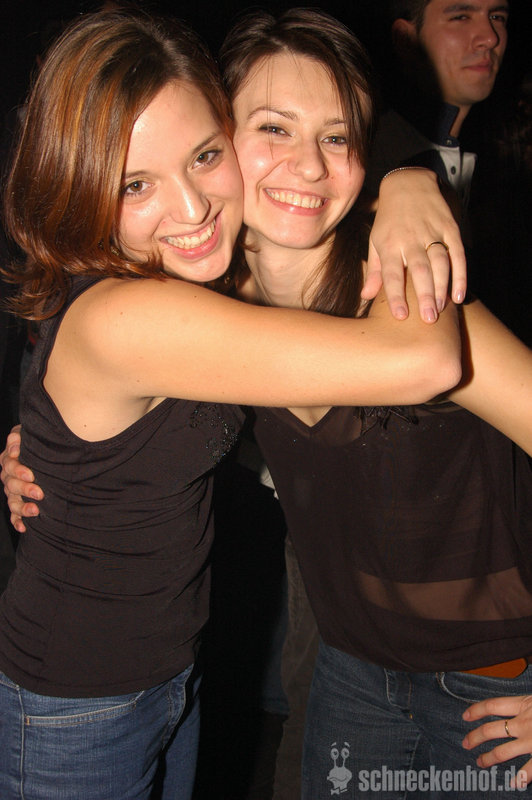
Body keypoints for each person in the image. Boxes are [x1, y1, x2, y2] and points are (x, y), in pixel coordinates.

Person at [0, 8, 465, 799]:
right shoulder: (131, 315)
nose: (192, 209)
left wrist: (402, 176)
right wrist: (417, 191)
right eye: (135, 184)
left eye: (204, 156)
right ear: (79, 185)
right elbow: (426, 358)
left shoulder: (185, 280)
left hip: (167, 679)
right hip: (73, 706)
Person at [365, 0, 509, 209]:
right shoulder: (365, 164)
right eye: (460, 17)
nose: (490, 38)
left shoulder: (499, 168)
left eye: (497, 17)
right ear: (405, 39)